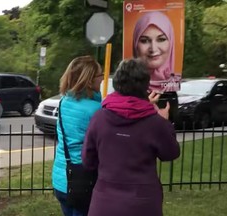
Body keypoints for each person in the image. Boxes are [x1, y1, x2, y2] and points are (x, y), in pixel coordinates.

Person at [82, 58, 180, 216]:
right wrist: (165, 122)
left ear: (117, 82)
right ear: (145, 85)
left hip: (105, 203)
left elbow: (88, 160)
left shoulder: (99, 118)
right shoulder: (155, 123)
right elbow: (171, 152)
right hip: (143, 204)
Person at [52, 55, 104, 216]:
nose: (103, 79)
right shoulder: (96, 110)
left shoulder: (64, 102)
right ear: (89, 80)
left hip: (62, 178)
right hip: (84, 181)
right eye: (100, 75)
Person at [133, 11, 180, 122]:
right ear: (135, 44)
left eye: (161, 39)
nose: (153, 48)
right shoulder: (130, 87)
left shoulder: (172, 86)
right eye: (144, 40)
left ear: (171, 42)